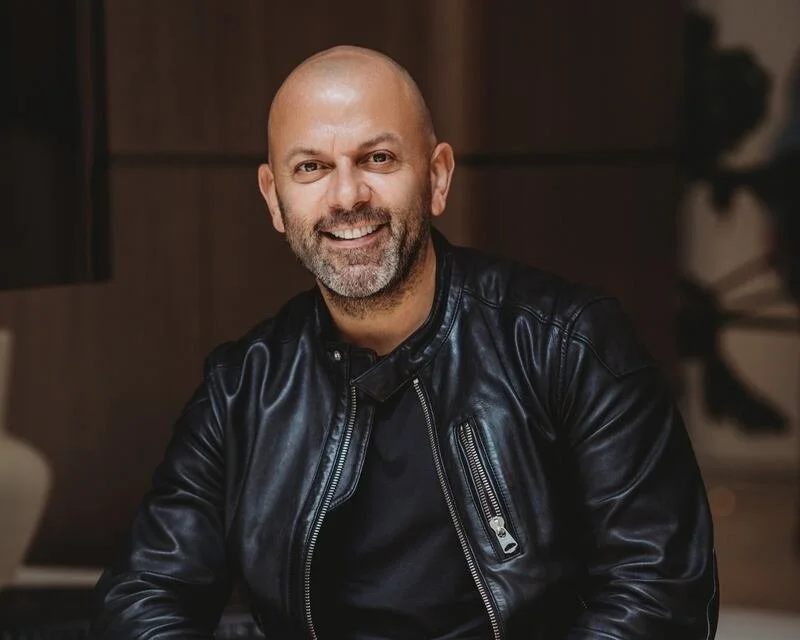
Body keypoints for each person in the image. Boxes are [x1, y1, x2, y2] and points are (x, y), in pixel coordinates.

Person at [92, 46, 719, 639]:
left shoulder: (568, 345)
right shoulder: (242, 390)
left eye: (378, 159)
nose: (346, 196)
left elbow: (659, 593)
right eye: (310, 167)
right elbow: (145, 594)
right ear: (274, 199)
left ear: (437, 176)